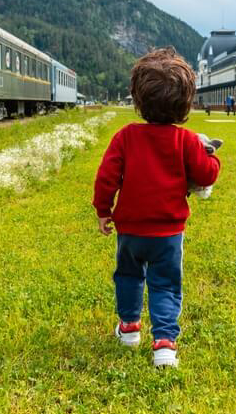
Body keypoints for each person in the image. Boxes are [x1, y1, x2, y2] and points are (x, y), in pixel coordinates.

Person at [93, 48, 221, 368]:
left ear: (138, 99)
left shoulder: (126, 137)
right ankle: (164, 344)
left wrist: (103, 210)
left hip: (131, 231)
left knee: (128, 276)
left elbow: (106, 177)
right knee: (165, 284)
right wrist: (212, 158)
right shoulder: (187, 141)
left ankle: (129, 328)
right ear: (186, 101)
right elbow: (206, 174)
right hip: (168, 232)